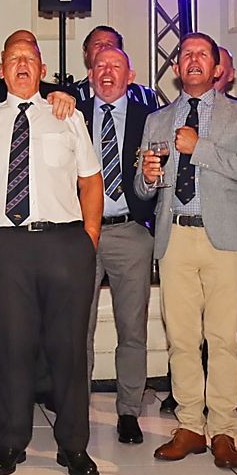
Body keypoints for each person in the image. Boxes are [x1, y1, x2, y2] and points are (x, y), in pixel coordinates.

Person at [0, 31, 103, 475]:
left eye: (30, 58)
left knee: (68, 351)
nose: (22, 64)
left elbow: (91, 181)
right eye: (13, 58)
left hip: (65, 244)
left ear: (42, 69)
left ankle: (73, 446)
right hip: (6, 247)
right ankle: (11, 441)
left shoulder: (67, 116)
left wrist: (89, 239)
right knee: (11, 348)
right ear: (1, 70)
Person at [136, 32, 237, 470]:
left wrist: (200, 149)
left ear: (217, 68)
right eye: (185, 54)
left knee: (224, 339)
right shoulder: (157, 120)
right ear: (176, 69)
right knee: (182, 339)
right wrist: (147, 178)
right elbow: (143, 187)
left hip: (225, 240)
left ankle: (224, 429)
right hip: (174, 238)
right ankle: (190, 425)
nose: (192, 60)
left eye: (202, 55)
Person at [77, 46, 157, 444]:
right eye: (100, 66)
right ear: (90, 74)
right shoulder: (71, 115)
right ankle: (76, 407)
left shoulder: (149, 119)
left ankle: (128, 410)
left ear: (131, 75)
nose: (107, 72)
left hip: (131, 232)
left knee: (132, 327)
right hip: (80, 232)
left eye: (116, 66)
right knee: (78, 326)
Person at [72, 26, 159, 109]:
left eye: (109, 44)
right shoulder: (71, 93)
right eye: (97, 44)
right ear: (86, 54)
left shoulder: (145, 96)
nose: (103, 48)